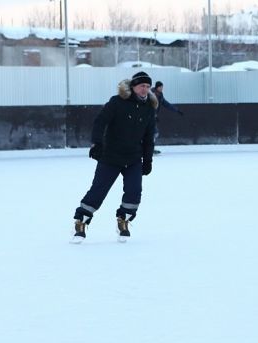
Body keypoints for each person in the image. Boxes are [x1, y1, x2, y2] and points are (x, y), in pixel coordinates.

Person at [71, 71, 158, 244]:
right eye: (142, 86)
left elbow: (149, 138)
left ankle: (123, 221)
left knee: (134, 191)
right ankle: (81, 223)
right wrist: (97, 144)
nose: (145, 90)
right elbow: (100, 122)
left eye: (148, 87)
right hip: (111, 156)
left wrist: (148, 160)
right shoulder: (117, 102)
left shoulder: (149, 108)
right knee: (98, 191)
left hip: (133, 158)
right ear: (133, 87)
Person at [151, 81, 183, 154]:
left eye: (162, 87)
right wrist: (153, 116)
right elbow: (149, 107)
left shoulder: (160, 95)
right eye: (160, 87)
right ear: (157, 87)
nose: (162, 88)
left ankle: (150, 148)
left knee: (153, 133)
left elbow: (166, 104)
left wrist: (176, 110)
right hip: (148, 117)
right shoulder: (152, 95)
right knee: (153, 133)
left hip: (153, 117)